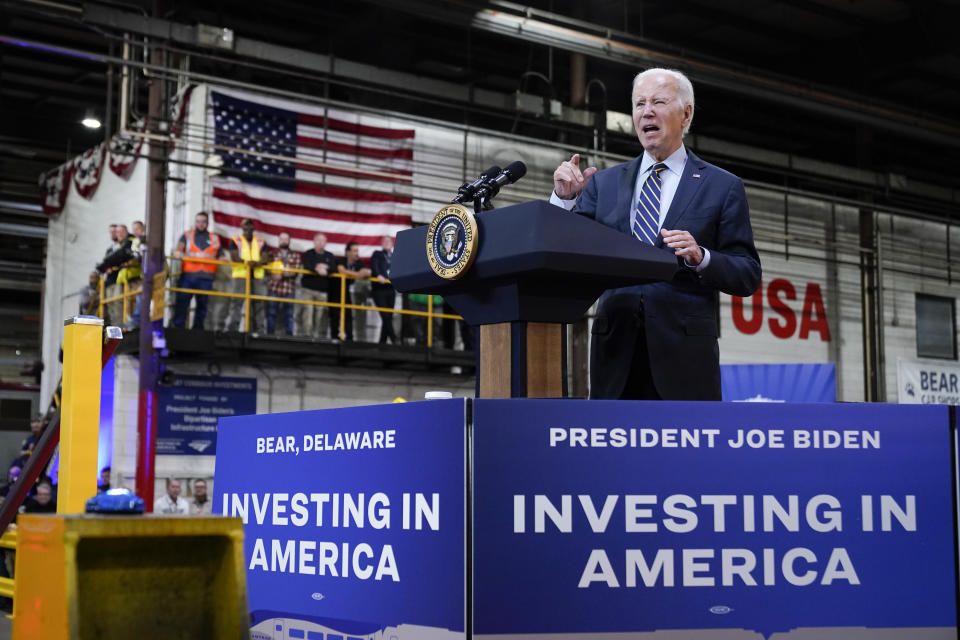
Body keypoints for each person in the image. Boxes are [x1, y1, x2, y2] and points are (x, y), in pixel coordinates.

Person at [550, 68, 761, 400]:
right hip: (615, 356)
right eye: (639, 103)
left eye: (658, 102)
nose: (646, 111)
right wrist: (565, 201)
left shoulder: (722, 186)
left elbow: (747, 274)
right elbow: (565, 253)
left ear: (686, 114)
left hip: (686, 360)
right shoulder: (603, 184)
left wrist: (701, 257)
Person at [173, 212, 221, 330]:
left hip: (206, 278)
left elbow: (220, 253)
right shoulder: (187, 235)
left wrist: (224, 258)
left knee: (202, 306)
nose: (201, 224)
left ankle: (198, 331)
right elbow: (179, 248)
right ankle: (179, 329)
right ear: (195, 222)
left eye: (203, 222)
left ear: (207, 223)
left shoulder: (214, 238)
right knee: (182, 303)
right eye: (198, 221)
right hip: (188, 277)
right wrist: (178, 252)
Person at [225, 218, 268, 333]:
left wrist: (256, 263)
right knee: (237, 302)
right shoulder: (236, 240)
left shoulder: (260, 241)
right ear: (242, 228)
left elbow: (265, 257)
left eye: (250, 226)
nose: (248, 229)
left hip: (257, 276)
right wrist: (247, 263)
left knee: (258, 303)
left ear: (253, 228)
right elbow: (234, 257)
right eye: (245, 226)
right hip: (241, 276)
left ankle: (258, 330)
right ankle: (233, 330)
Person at [330, 242, 371, 341]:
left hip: (348, 293)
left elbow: (367, 272)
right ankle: (334, 337)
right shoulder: (341, 260)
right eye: (354, 251)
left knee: (348, 315)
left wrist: (359, 273)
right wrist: (357, 274)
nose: (357, 253)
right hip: (335, 291)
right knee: (335, 315)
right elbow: (341, 270)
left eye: (357, 251)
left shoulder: (359, 263)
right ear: (348, 252)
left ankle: (350, 338)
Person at [300, 233, 337, 340]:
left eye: (323, 241)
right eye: (318, 240)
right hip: (308, 290)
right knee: (308, 313)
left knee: (319, 315)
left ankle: (316, 336)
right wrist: (317, 268)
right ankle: (307, 336)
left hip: (322, 291)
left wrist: (326, 268)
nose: (320, 243)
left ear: (326, 243)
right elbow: (307, 265)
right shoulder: (308, 253)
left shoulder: (329, 256)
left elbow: (333, 269)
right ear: (314, 241)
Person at [265, 231, 301, 336]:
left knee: (289, 315)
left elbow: (296, 271)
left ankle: (289, 336)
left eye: (286, 239)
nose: (284, 241)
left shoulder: (296, 255)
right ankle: (269, 335)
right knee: (271, 313)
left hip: (289, 289)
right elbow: (267, 269)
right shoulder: (272, 254)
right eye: (282, 239)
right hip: (273, 288)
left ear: (289, 241)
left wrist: (281, 275)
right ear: (278, 240)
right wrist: (274, 273)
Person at [370, 235, 398, 344]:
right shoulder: (377, 254)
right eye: (384, 241)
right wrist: (378, 275)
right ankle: (395, 340)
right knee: (385, 315)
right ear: (381, 244)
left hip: (391, 289)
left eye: (389, 241)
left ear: (392, 244)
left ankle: (382, 342)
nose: (387, 242)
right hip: (379, 289)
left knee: (388, 317)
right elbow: (374, 265)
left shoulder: (395, 256)